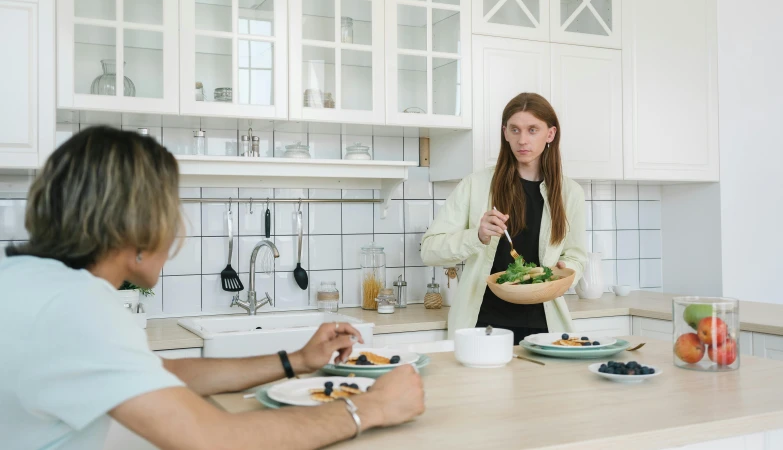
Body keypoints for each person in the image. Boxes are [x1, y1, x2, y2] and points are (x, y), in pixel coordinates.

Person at [0, 126, 424, 450]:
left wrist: (295, 360)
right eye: (171, 209)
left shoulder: (34, 285)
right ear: (136, 223)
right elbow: (216, 440)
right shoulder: (75, 306)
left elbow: (160, 375)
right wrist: (373, 407)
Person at [421, 93, 587, 344]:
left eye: (533, 130)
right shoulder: (475, 185)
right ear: (505, 133)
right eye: (515, 129)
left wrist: (567, 269)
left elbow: (576, 255)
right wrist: (477, 236)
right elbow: (429, 251)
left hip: (546, 327)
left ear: (550, 134)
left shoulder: (570, 193)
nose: (523, 140)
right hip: (482, 325)